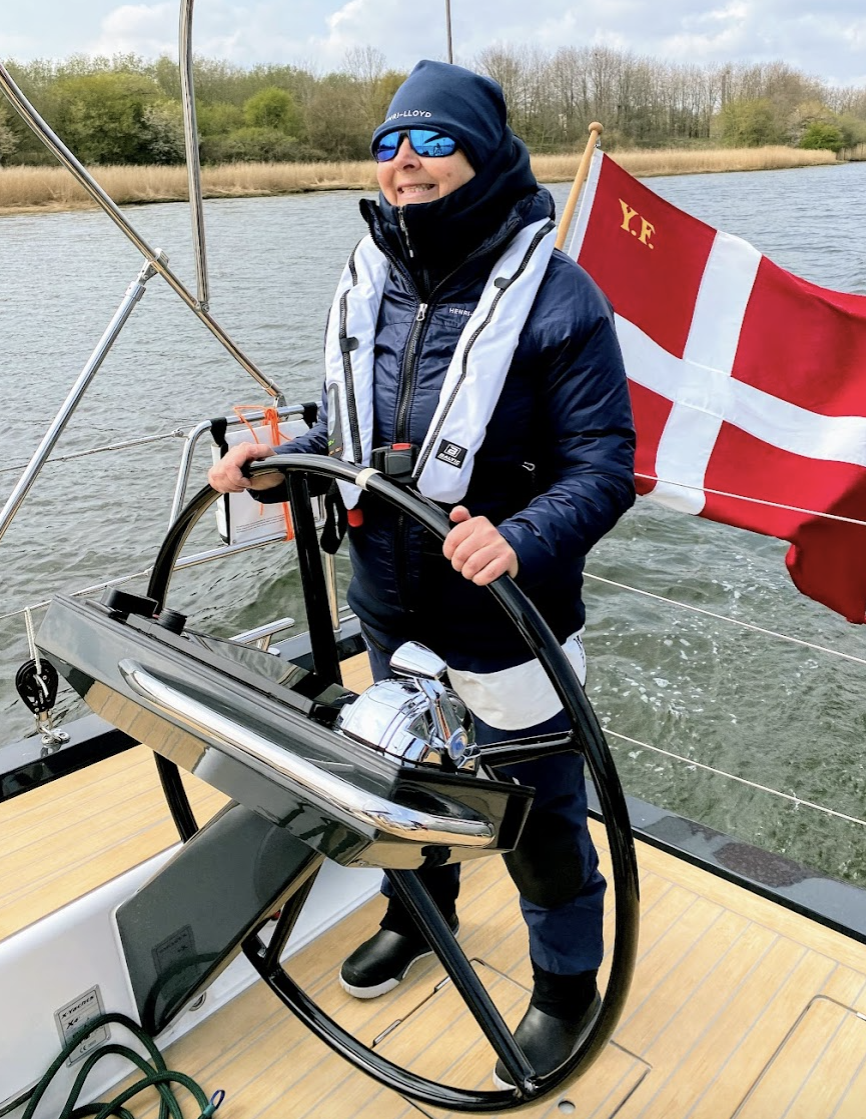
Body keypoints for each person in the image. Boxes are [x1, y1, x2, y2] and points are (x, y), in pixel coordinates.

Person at [209, 59, 635, 1081]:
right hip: (388, 604)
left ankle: (566, 985)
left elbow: (604, 465)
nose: (406, 160)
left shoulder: (560, 296)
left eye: (434, 141)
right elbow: (349, 431)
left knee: (539, 816)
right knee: (401, 782)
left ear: (482, 156)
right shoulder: (372, 280)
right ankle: (418, 915)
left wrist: (518, 536)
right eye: (389, 143)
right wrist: (278, 463)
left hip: (508, 618)